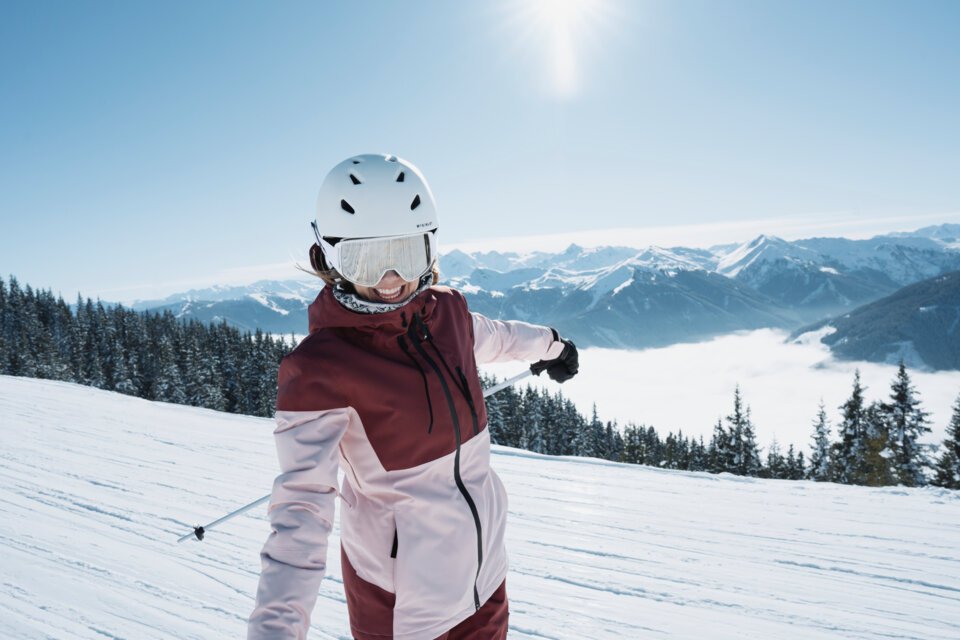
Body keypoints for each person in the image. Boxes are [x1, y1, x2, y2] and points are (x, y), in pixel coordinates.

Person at [247, 154, 579, 640]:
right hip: (403, 610)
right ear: (328, 257)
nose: (389, 280)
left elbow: (500, 337)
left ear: (429, 247)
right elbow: (301, 515)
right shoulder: (319, 369)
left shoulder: (448, 313)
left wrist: (551, 344)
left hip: (484, 581)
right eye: (364, 258)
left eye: (404, 254)